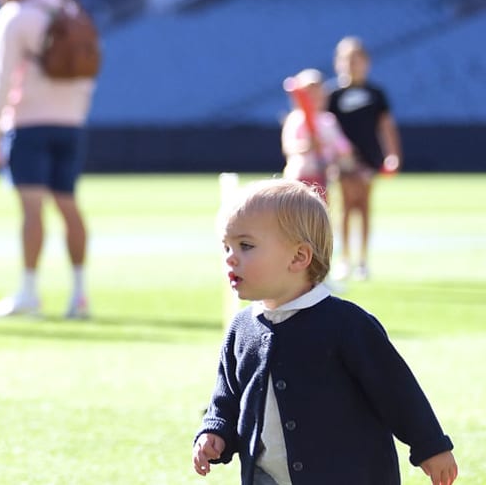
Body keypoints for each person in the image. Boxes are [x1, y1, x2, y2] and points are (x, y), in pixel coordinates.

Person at [193, 180, 457, 485]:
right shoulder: (242, 329)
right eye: (226, 246)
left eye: (246, 246)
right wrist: (214, 431)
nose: (230, 257)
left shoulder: (346, 324)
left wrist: (431, 446)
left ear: (298, 258)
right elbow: (226, 398)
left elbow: (398, 392)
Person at [0, 0, 96, 321]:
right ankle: (79, 294)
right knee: (68, 204)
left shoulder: (14, 16)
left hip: (28, 122)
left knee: (31, 208)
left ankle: (28, 291)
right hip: (71, 123)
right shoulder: (69, 7)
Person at [328, 37, 401, 281]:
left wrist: (392, 154)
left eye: (356, 60)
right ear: (338, 63)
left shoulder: (375, 93)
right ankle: (344, 259)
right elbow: (326, 128)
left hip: (369, 158)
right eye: (346, 60)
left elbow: (386, 125)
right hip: (343, 161)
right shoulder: (333, 95)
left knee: (364, 206)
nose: (352, 65)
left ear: (366, 62)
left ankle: (363, 261)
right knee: (346, 207)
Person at [281, 68, 357, 197]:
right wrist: (308, 145)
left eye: (317, 92)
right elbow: (288, 147)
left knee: (319, 212)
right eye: (309, 93)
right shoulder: (295, 119)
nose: (314, 96)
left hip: (322, 176)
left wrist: (343, 153)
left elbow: (342, 146)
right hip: (299, 176)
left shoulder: (328, 120)